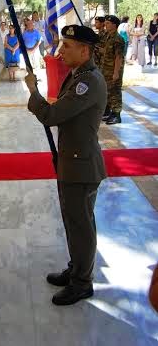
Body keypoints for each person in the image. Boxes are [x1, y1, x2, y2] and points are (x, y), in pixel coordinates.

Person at [25, 24, 107, 306]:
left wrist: (33, 92)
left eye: (67, 46)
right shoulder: (79, 74)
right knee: (73, 223)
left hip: (81, 166)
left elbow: (51, 115)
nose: (61, 51)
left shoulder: (89, 81)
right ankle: (76, 268)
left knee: (81, 225)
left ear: (84, 50)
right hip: (71, 162)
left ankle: (82, 283)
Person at [102, 15, 125, 125]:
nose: (105, 25)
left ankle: (117, 115)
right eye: (105, 23)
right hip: (106, 70)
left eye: (107, 23)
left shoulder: (118, 39)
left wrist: (116, 73)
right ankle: (112, 112)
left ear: (114, 25)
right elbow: (107, 52)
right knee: (109, 92)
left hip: (114, 70)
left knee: (115, 91)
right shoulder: (108, 36)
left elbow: (118, 57)